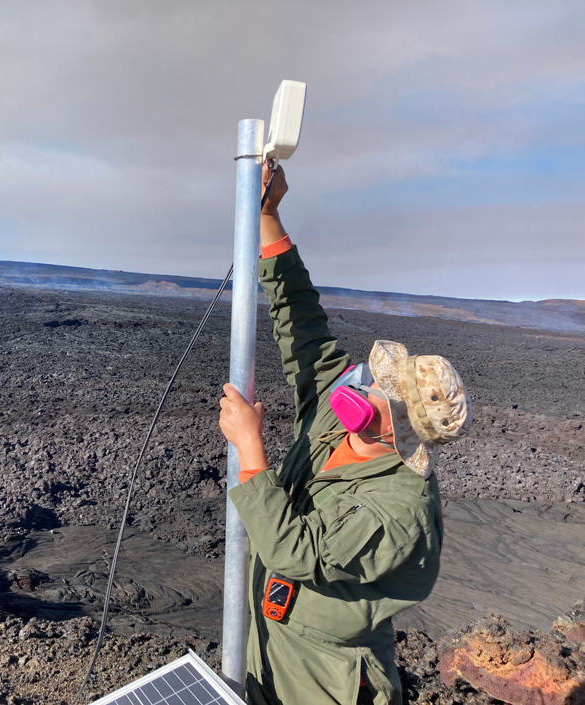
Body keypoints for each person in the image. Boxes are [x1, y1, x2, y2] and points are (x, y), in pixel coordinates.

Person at [218, 163, 472, 705]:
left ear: (397, 423)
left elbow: (299, 552)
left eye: (381, 387)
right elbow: (302, 322)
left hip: (327, 671)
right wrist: (268, 216)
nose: (363, 380)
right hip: (271, 638)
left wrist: (250, 447)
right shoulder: (338, 413)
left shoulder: (400, 511)